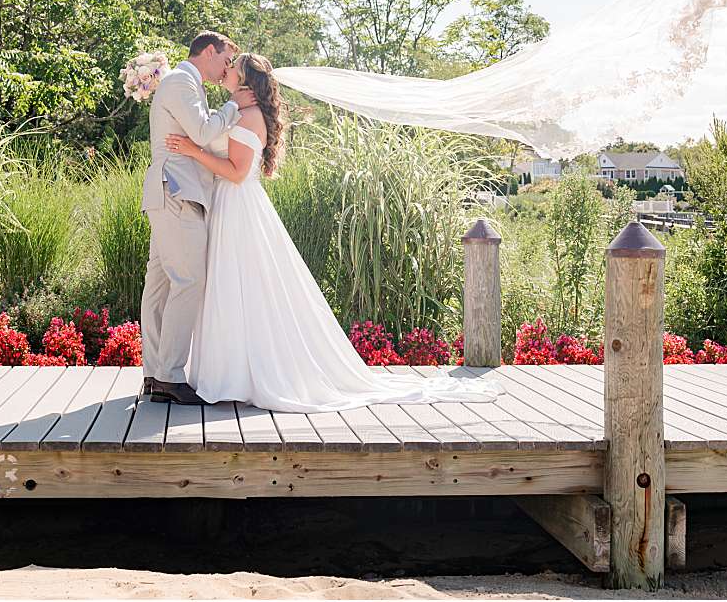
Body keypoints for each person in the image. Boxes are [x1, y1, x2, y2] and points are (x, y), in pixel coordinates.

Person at [166, 52, 501, 413]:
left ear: (245, 80)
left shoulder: (247, 116)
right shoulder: (240, 111)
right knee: (232, 289)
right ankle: (230, 372)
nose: (226, 70)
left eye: (233, 68)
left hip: (237, 207)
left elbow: (234, 172)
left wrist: (191, 150)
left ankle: (237, 376)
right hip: (231, 207)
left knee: (238, 287)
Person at [140, 31, 255, 405]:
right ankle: (170, 375)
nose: (226, 68)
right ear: (209, 51)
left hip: (169, 192)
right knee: (188, 281)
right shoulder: (180, 81)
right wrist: (234, 106)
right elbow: (204, 131)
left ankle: (156, 375)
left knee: (159, 286)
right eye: (225, 58)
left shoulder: (186, 83)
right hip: (177, 191)